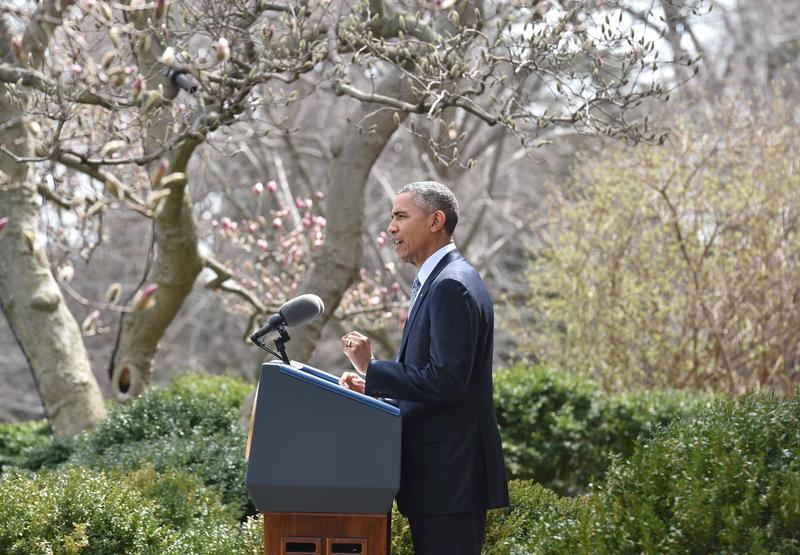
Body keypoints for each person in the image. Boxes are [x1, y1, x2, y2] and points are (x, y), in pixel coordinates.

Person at [339, 181, 509, 555]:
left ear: (436, 220)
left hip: (450, 477)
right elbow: (437, 378)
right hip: (442, 477)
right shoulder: (441, 279)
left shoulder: (452, 285)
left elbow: (448, 381)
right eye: (391, 217)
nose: (391, 227)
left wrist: (373, 368)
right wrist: (373, 388)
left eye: (401, 216)